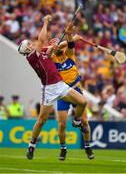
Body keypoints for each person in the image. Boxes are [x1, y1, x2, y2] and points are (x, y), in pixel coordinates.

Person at [18, 15, 87, 160]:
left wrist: (67, 39)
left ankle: (76, 120)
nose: (31, 44)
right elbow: (42, 40)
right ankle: (32, 145)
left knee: (83, 102)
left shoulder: (40, 52)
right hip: (48, 90)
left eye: (30, 43)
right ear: (26, 50)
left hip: (61, 85)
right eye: (28, 45)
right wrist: (45, 22)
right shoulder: (32, 57)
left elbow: (51, 49)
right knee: (42, 120)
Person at [51, 24, 94, 160]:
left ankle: (87, 146)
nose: (57, 46)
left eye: (58, 43)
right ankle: (63, 149)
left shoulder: (69, 54)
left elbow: (70, 43)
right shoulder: (51, 59)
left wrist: (69, 34)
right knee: (62, 124)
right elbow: (43, 50)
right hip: (63, 93)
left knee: (85, 122)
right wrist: (55, 45)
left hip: (75, 89)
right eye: (54, 45)